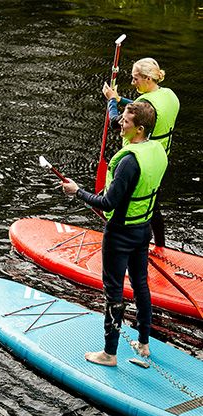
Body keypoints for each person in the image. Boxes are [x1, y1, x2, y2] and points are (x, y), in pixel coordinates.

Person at [62, 101, 168, 366]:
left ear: (139, 129)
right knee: (141, 284)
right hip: (142, 230)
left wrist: (78, 192)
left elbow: (108, 203)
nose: (121, 123)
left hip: (120, 234)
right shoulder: (156, 151)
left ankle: (109, 353)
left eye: (127, 121)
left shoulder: (129, 162)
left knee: (114, 291)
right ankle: (144, 343)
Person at [102, 57, 179, 248]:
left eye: (135, 78)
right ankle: (160, 245)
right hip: (159, 158)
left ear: (147, 78)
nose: (132, 82)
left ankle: (120, 244)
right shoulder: (169, 95)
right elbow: (147, 107)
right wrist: (122, 100)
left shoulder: (147, 104)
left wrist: (112, 101)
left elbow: (115, 122)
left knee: (123, 204)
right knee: (153, 202)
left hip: (140, 160)